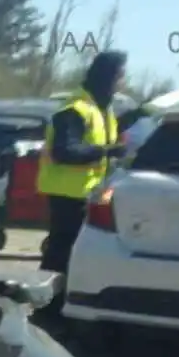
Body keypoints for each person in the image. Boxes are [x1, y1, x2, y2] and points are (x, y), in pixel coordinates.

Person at [37, 50, 131, 284]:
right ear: (108, 77)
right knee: (61, 251)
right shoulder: (75, 109)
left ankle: (61, 297)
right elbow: (65, 151)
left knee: (73, 250)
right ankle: (47, 304)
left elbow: (109, 132)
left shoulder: (100, 109)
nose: (122, 82)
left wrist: (139, 114)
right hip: (67, 193)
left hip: (87, 192)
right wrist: (108, 150)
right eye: (120, 76)